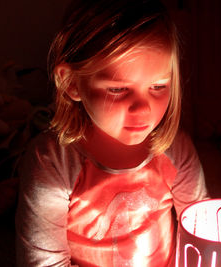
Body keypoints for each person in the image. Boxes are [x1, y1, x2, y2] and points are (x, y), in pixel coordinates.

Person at [15, 0, 209, 266]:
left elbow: (204, 230)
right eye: (118, 89)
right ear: (71, 83)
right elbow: (42, 261)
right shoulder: (51, 162)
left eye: (158, 86)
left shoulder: (176, 150)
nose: (143, 109)